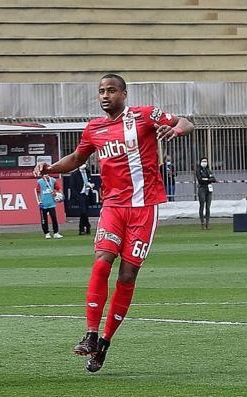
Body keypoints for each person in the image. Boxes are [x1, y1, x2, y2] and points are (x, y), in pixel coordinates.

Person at [34, 74, 194, 373]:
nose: (105, 96)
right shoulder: (94, 128)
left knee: (128, 275)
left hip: (144, 207)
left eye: (110, 90)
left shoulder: (145, 115)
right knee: (101, 261)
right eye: (101, 91)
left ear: (124, 93)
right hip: (113, 206)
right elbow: (78, 158)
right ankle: (91, 334)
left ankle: (105, 342)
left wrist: (178, 131)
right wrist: (51, 168)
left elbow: (185, 121)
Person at [36, 174, 64, 239]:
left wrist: (61, 195)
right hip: (43, 203)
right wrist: (39, 201)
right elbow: (38, 192)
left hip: (51, 203)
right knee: (44, 219)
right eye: (44, 175)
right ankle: (47, 233)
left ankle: (56, 233)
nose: (46, 176)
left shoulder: (53, 180)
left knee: (54, 218)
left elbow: (58, 188)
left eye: (47, 174)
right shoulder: (40, 182)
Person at [196, 157, 217, 230]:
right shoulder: (198, 170)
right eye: (203, 161)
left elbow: (214, 179)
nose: (204, 162)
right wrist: (208, 179)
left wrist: (207, 179)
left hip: (209, 189)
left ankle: (207, 223)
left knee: (208, 206)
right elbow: (200, 180)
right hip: (202, 188)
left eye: (206, 161)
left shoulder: (208, 170)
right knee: (202, 205)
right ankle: (202, 223)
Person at [76, 162, 94, 235]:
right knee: (83, 211)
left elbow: (90, 180)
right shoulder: (75, 174)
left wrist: (91, 184)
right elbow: (73, 186)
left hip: (87, 193)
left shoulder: (87, 171)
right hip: (80, 194)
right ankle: (87, 226)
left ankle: (82, 228)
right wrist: (77, 196)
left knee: (85, 212)